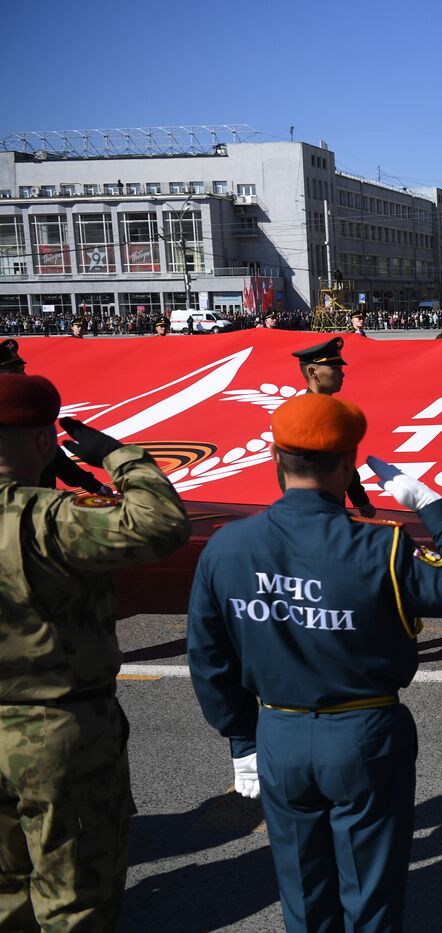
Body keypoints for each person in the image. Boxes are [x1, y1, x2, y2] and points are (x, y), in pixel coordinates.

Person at [187, 393, 442, 933]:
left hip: (277, 729)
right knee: (369, 895)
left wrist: (241, 739)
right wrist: (430, 504)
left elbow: (209, 658)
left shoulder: (226, 546)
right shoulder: (382, 547)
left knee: (303, 892)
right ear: (349, 463)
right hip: (364, 731)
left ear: (275, 459)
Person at [0, 374, 190, 931]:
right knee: (75, 901)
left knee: (5, 894)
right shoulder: (49, 518)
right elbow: (160, 524)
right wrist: (118, 456)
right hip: (56, 731)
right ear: (43, 442)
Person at [0, 339, 111, 495]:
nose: (24, 375)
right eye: (16, 371)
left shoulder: (25, 414)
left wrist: (94, 486)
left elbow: (55, 459)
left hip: (39, 508)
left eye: (22, 368)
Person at [287, 338, 375, 518]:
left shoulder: (332, 411)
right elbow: (289, 470)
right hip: (315, 513)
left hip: (332, 510)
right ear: (313, 372)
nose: (342, 374)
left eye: (341, 369)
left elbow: (343, 463)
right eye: (334, 369)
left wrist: (360, 500)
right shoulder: (302, 414)